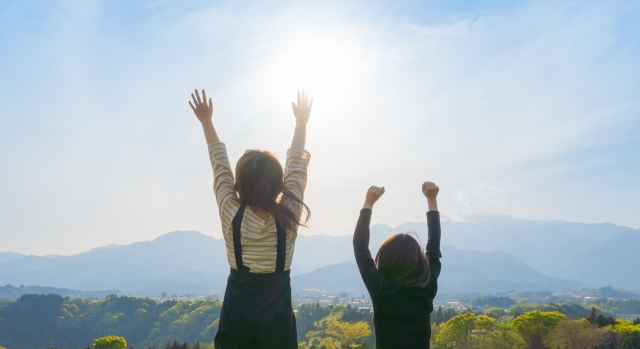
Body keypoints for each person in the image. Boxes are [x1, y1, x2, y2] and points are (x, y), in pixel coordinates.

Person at [189, 89, 313, 348]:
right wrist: (301, 121)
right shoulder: (289, 215)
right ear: (279, 183)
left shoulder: (230, 212)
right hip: (277, 327)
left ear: (239, 184)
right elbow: (297, 167)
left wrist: (207, 121)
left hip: (237, 322)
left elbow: (219, 165)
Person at [353, 182, 442, 348]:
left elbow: (360, 247)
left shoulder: (382, 290)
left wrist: (368, 203)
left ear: (385, 260)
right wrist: (432, 199)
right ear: (419, 261)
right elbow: (434, 249)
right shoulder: (427, 287)